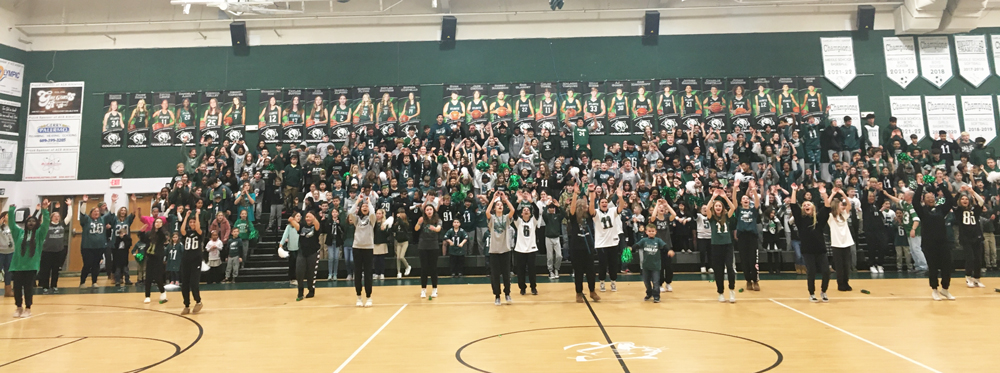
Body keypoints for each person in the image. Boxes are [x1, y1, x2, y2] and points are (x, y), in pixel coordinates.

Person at [913, 176, 956, 300]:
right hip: (929, 243)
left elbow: (950, 200)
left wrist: (941, 185)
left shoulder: (941, 210)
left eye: (932, 197)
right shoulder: (922, 211)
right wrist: (920, 186)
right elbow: (915, 201)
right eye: (928, 197)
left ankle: (945, 289)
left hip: (943, 242)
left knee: (947, 267)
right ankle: (935, 290)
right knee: (933, 267)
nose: (930, 199)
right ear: (924, 200)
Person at [8, 201, 50, 318]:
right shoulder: (19, 233)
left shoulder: (39, 234)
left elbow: (46, 223)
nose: (31, 223)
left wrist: (45, 210)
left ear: (36, 224)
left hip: (31, 266)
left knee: (28, 288)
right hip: (17, 265)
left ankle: (28, 308)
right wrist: (11, 211)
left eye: (33, 221)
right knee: (17, 288)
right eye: (29, 221)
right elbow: (11, 224)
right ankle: (18, 307)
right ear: (26, 223)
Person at [791, 183, 831, 302]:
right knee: (811, 272)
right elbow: (793, 205)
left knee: (826, 271)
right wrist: (794, 191)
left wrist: (823, 193)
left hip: (820, 249)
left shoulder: (819, 219)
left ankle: (823, 291)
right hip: (807, 250)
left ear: (813, 207)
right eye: (804, 205)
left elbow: (827, 207)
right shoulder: (800, 219)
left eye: (809, 204)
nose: (806, 206)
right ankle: (812, 293)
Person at [565, 185, 600, 303]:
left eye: (585, 205)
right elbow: (573, 208)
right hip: (576, 248)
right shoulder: (574, 217)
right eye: (583, 206)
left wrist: (591, 192)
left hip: (588, 248)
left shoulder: (589, 216)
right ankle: (578, 293)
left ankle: (592, 291)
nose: (584, 207)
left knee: (591, 272)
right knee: (578, 272)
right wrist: (575, 194)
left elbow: (592, 207)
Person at [589, 186, 625, 292]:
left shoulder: (613, 210)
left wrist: (620, 197)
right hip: (601, 244)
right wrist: (592, 197)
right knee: (602, 265)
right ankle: (602, 282)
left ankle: (613, 282)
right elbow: (591, 209)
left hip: (613, 242)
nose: (604, 203)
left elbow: (621, 207)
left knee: (613, 264)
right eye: (602, 202)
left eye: (605, 202)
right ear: (599, 204)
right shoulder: (596, 213)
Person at [706, 188, 737, 303]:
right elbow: (707, 208)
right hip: (715, 246)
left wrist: (725, 198)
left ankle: (732, 291)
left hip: (727, 245)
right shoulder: (712, 218)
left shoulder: (727, 217)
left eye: (720, 206)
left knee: (730, 268)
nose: (718, 207)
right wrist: (713, 198)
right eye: (716, 206)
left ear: (722, 208)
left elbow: (733, 207)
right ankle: (720, 292)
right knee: (718, 270)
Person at [954, 185, 986, 288]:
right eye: (962, 199)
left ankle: (977, 278)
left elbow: (981, 202)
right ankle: (968, 277)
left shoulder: (974, 210)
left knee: (978, 258)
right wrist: (960, 192)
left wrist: (972, 192)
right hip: (965, 238)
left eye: (966, 199)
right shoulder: (959, 211)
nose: (964, 200)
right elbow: (952, 202)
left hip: (976, 236)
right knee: (970, 258)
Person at [732, 179, 761, 291]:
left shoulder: (753, 210)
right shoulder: (738, 210)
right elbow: (733, 201)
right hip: (742, 236)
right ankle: (748, 280)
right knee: (744, 260)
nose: (745, 199)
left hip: (752, 236)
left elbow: (757, 202)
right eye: (743, 198)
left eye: (747, 199)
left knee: (753, 260)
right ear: (741, 202)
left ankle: (755, 281)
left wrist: (753, 190)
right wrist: (734, 188)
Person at [79, 195, 114, 288]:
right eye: (94, 211)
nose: (96, 213)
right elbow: (82, 213)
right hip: (87, 247)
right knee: (87, 264)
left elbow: (111, 213)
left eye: (98, 211)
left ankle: (94, 281)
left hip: (100, 247)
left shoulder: (102, 219)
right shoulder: (86, 220)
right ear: (91, 213)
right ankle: (82, 282)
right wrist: (84, 202)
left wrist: (113, 202)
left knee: (96, 265)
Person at [486, 191, 515, 305]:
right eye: (498, 205)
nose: (500, 206)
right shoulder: (492, 218)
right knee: (495, 275)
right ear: (495, 208)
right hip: (494, 251)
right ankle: (497, 296)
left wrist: (505, 199)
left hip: (505, 250)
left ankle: (507, 294)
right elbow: (487, 212)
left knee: (506, 274)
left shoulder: (506, 218)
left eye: (501, 205)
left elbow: (512, 210)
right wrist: (493, 199)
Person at [38, 199, 71, 293]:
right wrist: (45, 209)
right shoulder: (46, 225)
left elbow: (69, 216)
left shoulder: (62, 224)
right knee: (46, 270)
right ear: (51, 217)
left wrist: (69, 206)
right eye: (55, 216)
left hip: (58, 251)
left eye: (58, 216)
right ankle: (45, 286)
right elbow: (44, 218)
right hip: (47, 251)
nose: (57, 217)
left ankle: (54, 285)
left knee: (55, 270)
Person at [826, 186, 855, 292]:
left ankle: (846, 282)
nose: (843, 206)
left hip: (846, 242)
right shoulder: (830, 217)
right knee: (839, 266)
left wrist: (843, 194)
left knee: (847, 265)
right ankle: (840, 284)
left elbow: (849, 204)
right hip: (837, 244)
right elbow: (826, 204)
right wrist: (833, 194)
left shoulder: (844, 215)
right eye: (840, 205)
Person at [349, 194, 376, 307]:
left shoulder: (371, 220)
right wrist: (357, 201)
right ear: (359, 209)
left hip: (368, 248)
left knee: (368, 274)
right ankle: (359, 297)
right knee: (358, 273)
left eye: (366, 206)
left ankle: (369, 297)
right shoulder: (357, 219)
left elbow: (373, 213)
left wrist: (369, 202)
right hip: (357, 248)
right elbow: (350, 213)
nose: (365, 207)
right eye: (363, 206)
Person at [635, 224, 670, 303]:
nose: (651, 233)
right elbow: (637, 245)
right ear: (646, 232)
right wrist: (631, 248)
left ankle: (656, 296)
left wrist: (669, 250)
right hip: (646, 265)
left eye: (653, 231)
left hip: (656, 266)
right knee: (646, 282)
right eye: (649, 231)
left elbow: (665, 246)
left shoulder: (658, 240)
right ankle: (649, 293)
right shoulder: (644, 240)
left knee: (656, 282)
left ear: (655, 232)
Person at [179, 210, 205, 314]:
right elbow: (182, 230)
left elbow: (198, 228)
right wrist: (186, 217)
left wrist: (197, 215)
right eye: (191, 222)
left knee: (194, 283)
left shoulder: (199, 233)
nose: (192, 224)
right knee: (184, 284)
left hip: (196, 261)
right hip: (186, 260)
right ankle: (186, 305)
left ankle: (198, 301)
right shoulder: (187, 233)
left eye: (194, 222)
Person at [415, 204, 442, 300]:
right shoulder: (422, 220)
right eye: (427, 210)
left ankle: (434, 288)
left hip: (433, 246)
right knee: (424, 269)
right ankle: (423, 289)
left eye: (431, 209)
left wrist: (434, 229)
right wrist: (418, 223)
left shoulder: (437, 220)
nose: (429, 211)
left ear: (433, 211)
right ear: (425, 211)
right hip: (423, 246)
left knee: (433, 268)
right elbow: (416, 229)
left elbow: (439, 228)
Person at [513, 204, 541, 296]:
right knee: (520, 271)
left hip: (531, 249)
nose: (526, 211)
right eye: (524, 210)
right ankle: (522, 288)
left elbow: (537, 211)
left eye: (527, 210)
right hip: (520, 249)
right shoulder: (519, 222)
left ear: (530, 213)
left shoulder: (533, 221)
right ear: (521, 213)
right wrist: (518, 201)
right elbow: (513, 211)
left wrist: (531, 202)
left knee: (532, 270)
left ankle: (533, 287)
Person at [296, 211, 323, 301]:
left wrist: (313, 217)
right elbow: (294, 224)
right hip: (302, 252)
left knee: (311, 273)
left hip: (313, 252)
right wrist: (292, 219)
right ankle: (300, 291)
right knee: (299, 272)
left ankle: (311, 290)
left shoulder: (316, 226)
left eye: (309, 217)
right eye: (306, 217)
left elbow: (317, 225)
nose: (307, 218)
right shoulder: (302, 226)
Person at [142, 218, 170, 304]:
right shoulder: (150, 233)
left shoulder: (162, 233)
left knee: (158, 277)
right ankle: (147, 296)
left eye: (160, 222)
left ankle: (162, 291)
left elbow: (162, 237)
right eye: (156, 222)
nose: (158, 223)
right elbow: (143, 239)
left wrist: (159, 228)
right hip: (150, 257)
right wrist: (142, 231)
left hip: (158, 258)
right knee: (148, 278)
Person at [390, 208, 412, 279]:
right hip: (398, 241)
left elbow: (403, 224)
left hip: (405, 242)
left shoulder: (405, 224)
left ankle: (408, 266)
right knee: (398, 258)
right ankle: (398, 272)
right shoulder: (397, 224)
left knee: (401, 256)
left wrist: (399, 218)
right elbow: (394, 229)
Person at [0, 211, 11, 297]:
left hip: (10, 252)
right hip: (1, 252)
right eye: (7, 215)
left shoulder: (13, 226)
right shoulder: (1, 226)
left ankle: (8, 291)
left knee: (8, 271)